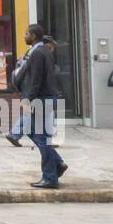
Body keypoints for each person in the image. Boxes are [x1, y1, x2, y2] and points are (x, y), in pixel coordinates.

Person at [20, 24, 66, 188]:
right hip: (46, 98)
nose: (24, 36)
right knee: (31, 131)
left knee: (42, 138)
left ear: (33, 36)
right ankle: (58, 162)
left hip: (41, 99)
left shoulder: (38, 53)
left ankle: (50, 177)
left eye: (26, 34)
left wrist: (28, 99)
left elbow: (36, 79)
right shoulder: (45, 51)